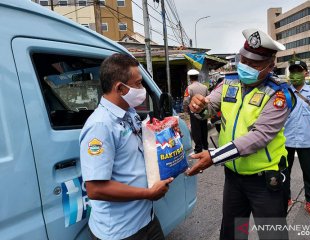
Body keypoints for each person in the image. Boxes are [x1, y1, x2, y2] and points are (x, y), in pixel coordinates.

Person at [186, 28, 296, 240]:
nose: (246, 67)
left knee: (271, 235)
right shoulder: (229, 83)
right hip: (234, 180)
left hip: (265, 181)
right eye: (243, 60)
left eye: (254, 64)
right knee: (234, 234)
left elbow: (259, 137)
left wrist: (214, 156)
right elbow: (210, 107)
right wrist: (199, 106)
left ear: (270, 66)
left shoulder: (278, 94)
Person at [79, 53, 174, 240]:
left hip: (146, 219)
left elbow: (141, 144)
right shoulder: (100, 126)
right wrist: (148, 193)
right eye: (138, 84)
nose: (142, 89)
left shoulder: (128, 112)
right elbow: (95, 189)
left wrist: (167, 130)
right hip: (120, 231)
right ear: (120, 88)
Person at [284, 60, 310, 219]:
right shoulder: (284, 92)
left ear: (306, 73)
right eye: (292, 71)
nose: (295, 75)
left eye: (298, 71)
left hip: (306, 141)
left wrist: (306, 124)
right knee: (283, 172)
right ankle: (285, 198)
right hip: (285, 140)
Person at [183, 69, 209, 153]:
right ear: (197, 77)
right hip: (204, 110)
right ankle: (205, 145)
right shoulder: (204, 87)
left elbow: (186, 100)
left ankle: (198, 148)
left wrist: (186, 109)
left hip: (193, 110)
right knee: (204, 127)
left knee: (195, 129)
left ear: (190, 78)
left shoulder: (189, 88)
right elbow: (208, 98)